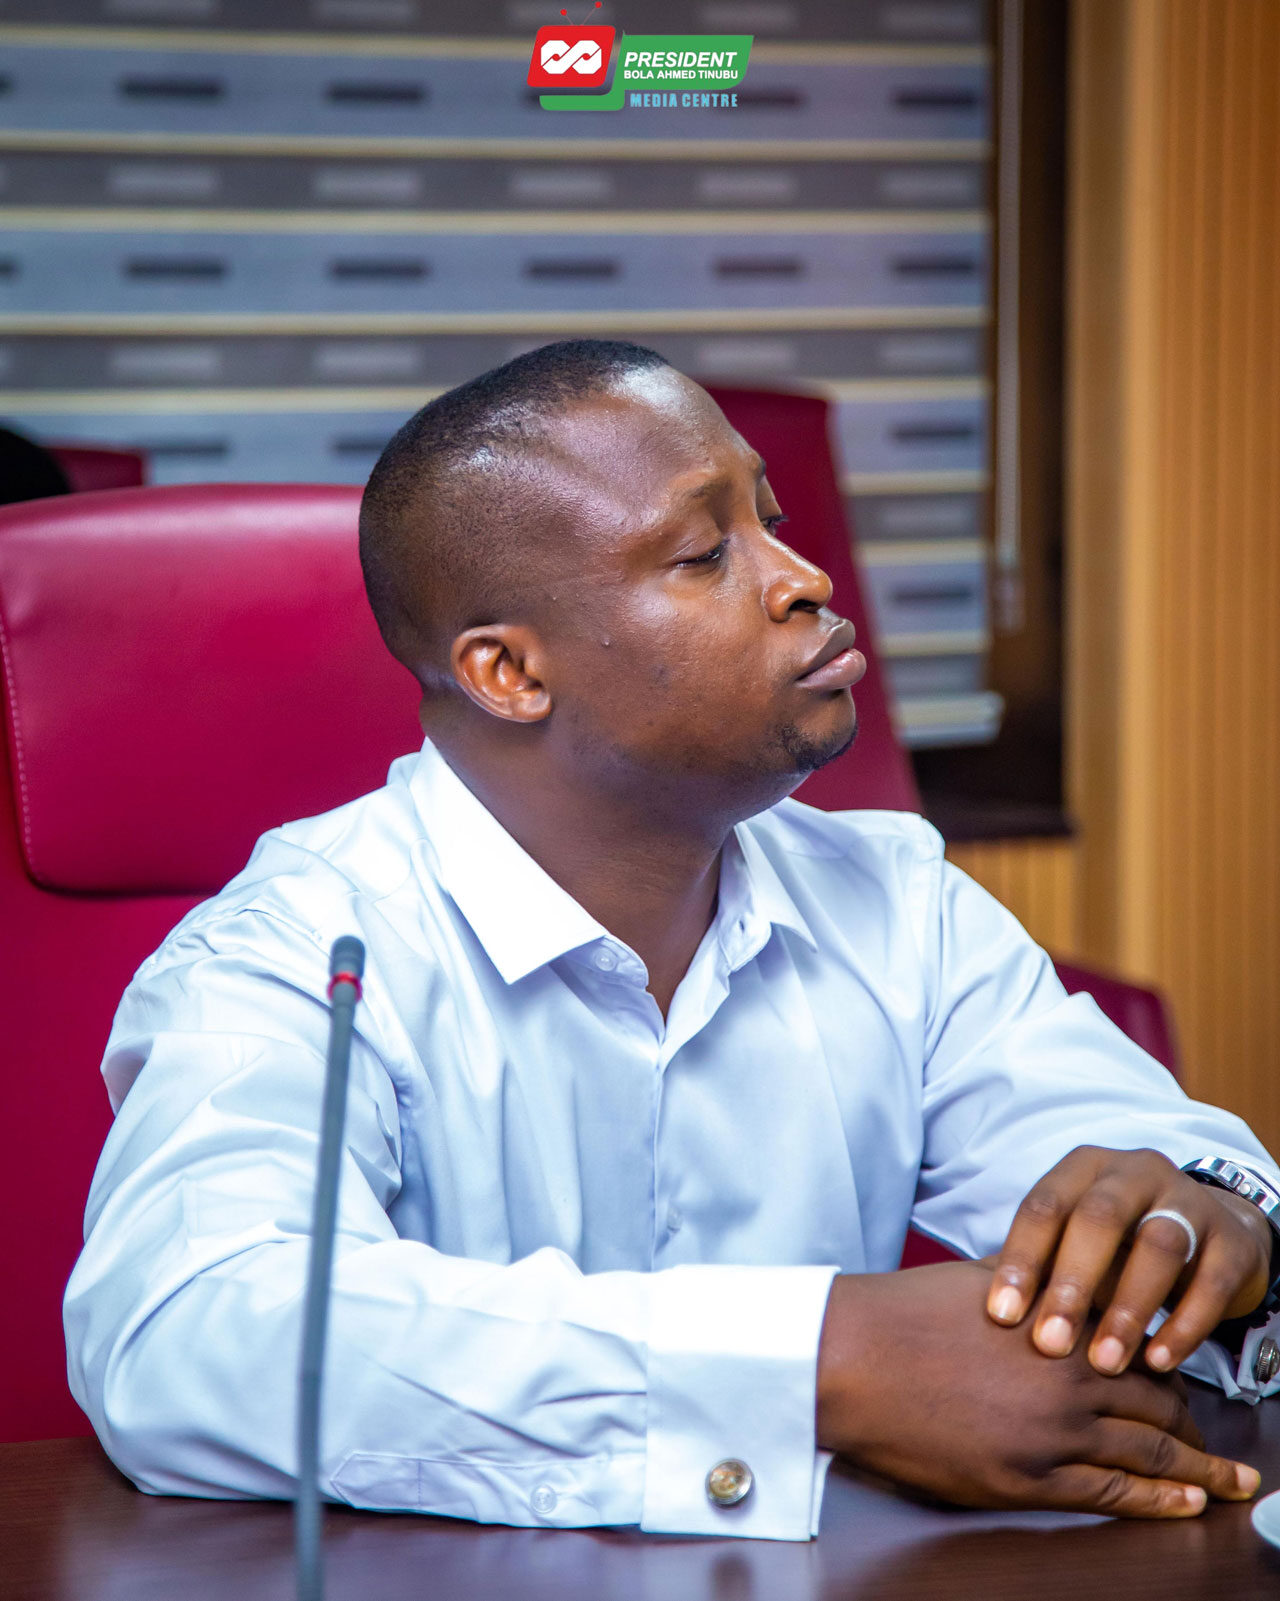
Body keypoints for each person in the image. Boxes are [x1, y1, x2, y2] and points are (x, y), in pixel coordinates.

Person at [64, 340, 1280, 1542]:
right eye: (705, 553)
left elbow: (1139, 1166)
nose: (802, 576)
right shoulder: (292, 953)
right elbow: (188, 1328)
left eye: (772, 520)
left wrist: (1212, 1228)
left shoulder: (895, 897)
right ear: (507, 671)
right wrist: (815, 1362)